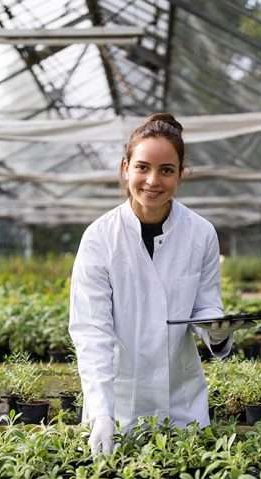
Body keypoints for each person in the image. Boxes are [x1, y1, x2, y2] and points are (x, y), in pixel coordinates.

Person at [69, 113, 242, 455]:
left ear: (181, 174)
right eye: (142, 167)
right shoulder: (100, 238)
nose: (152, 180)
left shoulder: (201, 233)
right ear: (125, 168)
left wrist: (216, 331)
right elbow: (92, 331)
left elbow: (206, 304)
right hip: (119, 403)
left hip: (181, 400)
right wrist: (101, 412)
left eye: (166, 170)